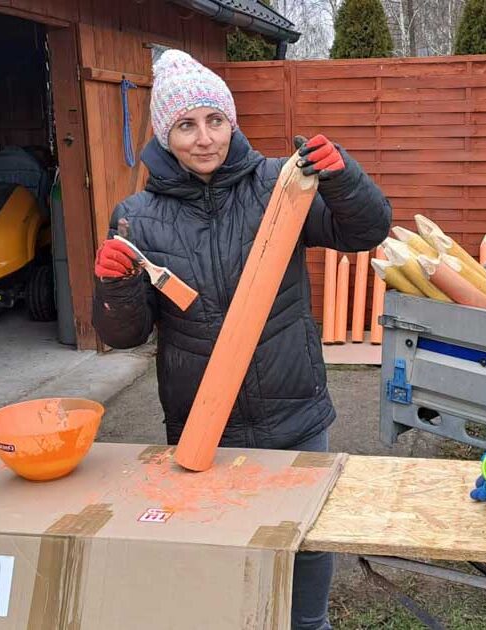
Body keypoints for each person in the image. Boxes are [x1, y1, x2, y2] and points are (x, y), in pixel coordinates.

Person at [91, 49, 391, 630]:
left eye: (214, 120)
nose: (204, 139)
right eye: (185, 125)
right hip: (205, 424)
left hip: (294, 409)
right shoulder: (137, 216)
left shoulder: (282, 186)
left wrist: (343, 176)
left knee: (304, 540)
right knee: (218, 548)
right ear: (165, 135)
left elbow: (366, 230)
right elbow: (125, 335)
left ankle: (308, 624)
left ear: (231, 121)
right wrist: (116, 286)